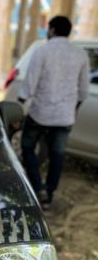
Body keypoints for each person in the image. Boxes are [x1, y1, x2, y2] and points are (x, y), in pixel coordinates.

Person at [18, 15, 89, 209]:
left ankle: (37, 186)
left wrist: (19, 105)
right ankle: (49, 194)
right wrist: (74, 110)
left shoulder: (43, 50)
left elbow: (29, 85)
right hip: (65, 116)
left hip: (39, 114)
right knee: (57, 154)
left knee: (27, 147)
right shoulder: (80, 54)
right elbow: (83, 90)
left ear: (52, 30)